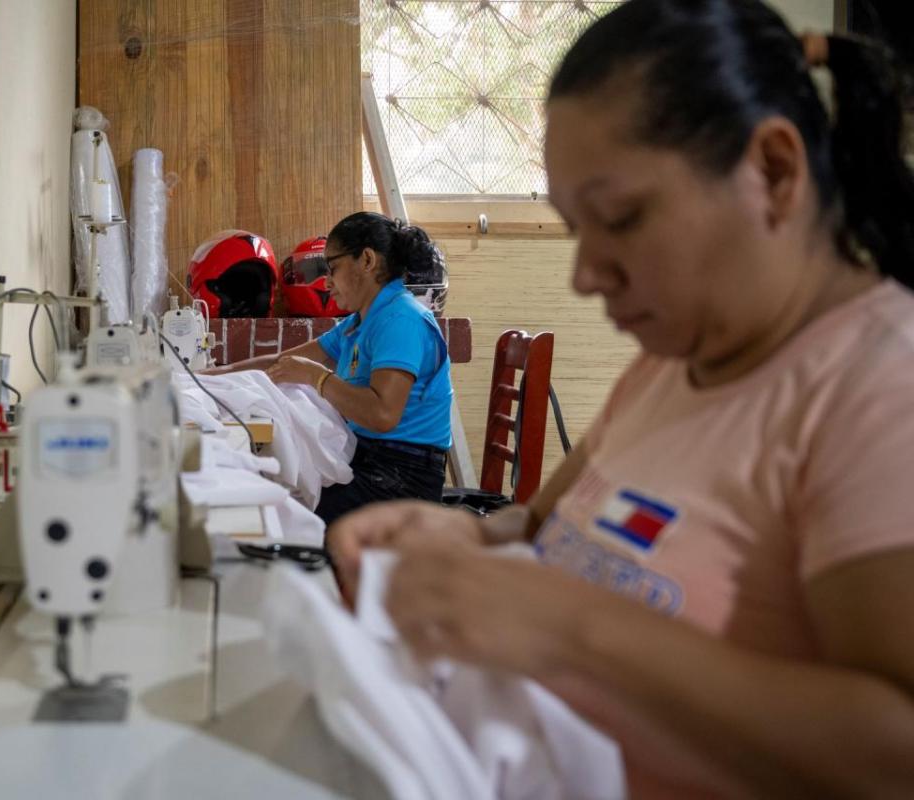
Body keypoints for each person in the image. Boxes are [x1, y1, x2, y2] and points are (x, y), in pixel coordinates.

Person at [326, 1, 914, 796]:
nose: (585, 274)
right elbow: (536, 525)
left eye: (623, 218)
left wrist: (571, 628)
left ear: (773, 172)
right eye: (576, 229)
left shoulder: (877, 386)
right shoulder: (672, 364)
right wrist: (464, 539)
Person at [206, 212, 454, 526]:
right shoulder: (361, 322)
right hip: (371, 460)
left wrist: (316, 376)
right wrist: (206, 376)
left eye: (332, 267)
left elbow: (382, 415)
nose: (326, 282)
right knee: (272, 503)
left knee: (282, 519)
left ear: (366, 260)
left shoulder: (400, 320)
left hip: (402, 479)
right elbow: (281, 363)